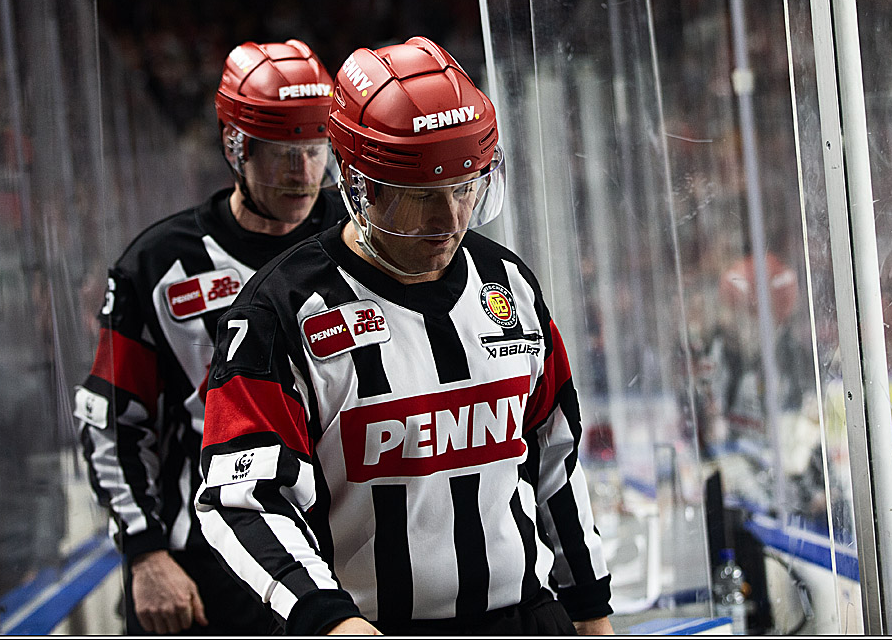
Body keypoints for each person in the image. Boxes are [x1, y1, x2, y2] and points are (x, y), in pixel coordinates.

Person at [196, 36, 614, 635]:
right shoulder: (277, 312)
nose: (450, 221)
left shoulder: (509, 284)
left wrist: (591, 607)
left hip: (526, 619)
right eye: (421, 197)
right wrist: (328, 621)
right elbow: (241, 501)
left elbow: (557, 462)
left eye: (465, 186)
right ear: (361, 187)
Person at [74, 38, 346, 635]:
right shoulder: (156, 264)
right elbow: (110, 419)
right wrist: (145, 555)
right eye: (279, 153)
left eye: (315, 149)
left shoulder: (360, 240)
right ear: (235, 145)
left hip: (341, 556)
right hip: (206, 566)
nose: (303, 174)